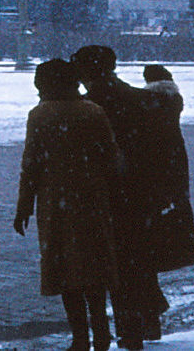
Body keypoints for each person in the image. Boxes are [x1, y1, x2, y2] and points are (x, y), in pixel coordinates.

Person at [14, 59, 120, 351]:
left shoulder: (40, 115)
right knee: (94, 272)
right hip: (92, 201)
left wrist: (24, 206)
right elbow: (111, 158)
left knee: (65, 273)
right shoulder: (93, 112)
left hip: (55, 204)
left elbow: (31, 164)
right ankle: (101, 332)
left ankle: (80, 337)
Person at [72, 45, 165, 349]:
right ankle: (143, 322)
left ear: (89, 72)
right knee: (137, 261)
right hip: (139, 194)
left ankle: (127, 331)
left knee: (111, 266)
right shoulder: (141, 99)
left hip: (104, 196)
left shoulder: (86, 108)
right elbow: (160, 151)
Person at [141, 65, 194, 279]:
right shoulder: (175, 99)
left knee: (159, 198)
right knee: (180, 195)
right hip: (176, 149)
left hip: (156, 152)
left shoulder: (147, 100)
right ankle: (186, 237)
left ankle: (165, 243)